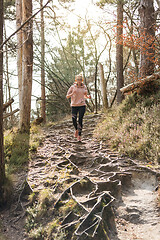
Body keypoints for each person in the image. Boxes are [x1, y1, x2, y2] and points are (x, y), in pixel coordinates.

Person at [66, 75, 91, 141]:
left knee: (80, 120)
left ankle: (79, 135)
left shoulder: (84, 87)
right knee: (74, 119)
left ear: (82, 80)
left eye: (80, 79)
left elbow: (84, 96)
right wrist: (72, 94)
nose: (79, 80)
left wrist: (88, 97)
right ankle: (76, 130)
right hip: (74, 105)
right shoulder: (72, 87)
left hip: (82, 105)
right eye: (78, 79)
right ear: (76, 80)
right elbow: (67, 96)